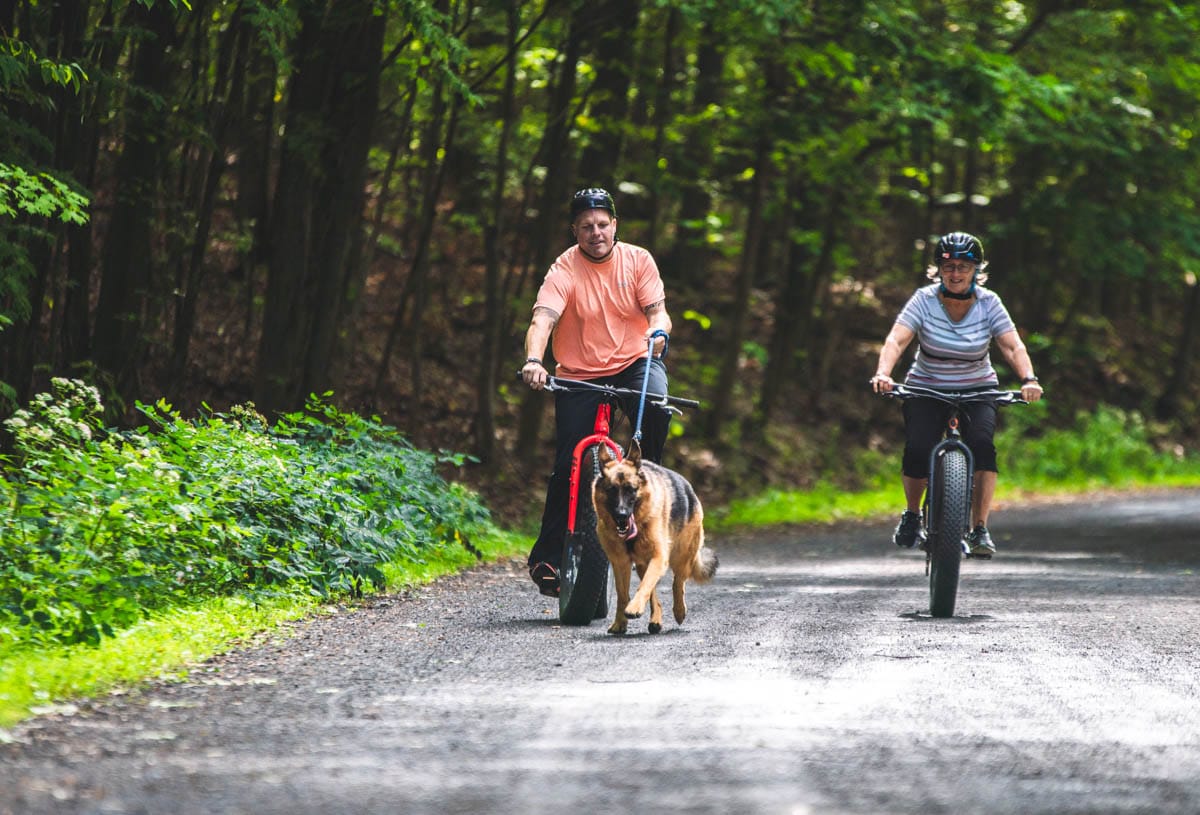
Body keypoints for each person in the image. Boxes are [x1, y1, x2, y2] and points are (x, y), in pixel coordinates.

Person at [520, 187, 673, 596]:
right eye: (586, 226)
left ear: (615, 225)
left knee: (657, 409)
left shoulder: (638, 260)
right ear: (574, 230)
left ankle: (647, 504)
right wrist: (534, 361)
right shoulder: (563, 270)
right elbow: (542, 319)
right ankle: (548, 556)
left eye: (603, 224)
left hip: (633, 363)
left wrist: (659, 333)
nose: (596, 233)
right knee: (568, 461)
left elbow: (657, 312)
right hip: (578, 374)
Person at [870, 231, 1043, 556]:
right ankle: (911, 514)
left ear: (976, 269)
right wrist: (883, 374)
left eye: (964, 266)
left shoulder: (990, 302)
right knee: (919, 447)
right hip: (926, 386)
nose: (956, 273)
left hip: (978, 388)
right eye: (948, 266)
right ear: (938, 270)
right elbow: (897, 340)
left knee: (982, 446)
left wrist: (1028, 379)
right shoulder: (924, 300)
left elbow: (1011, 344)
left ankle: (979, 529)